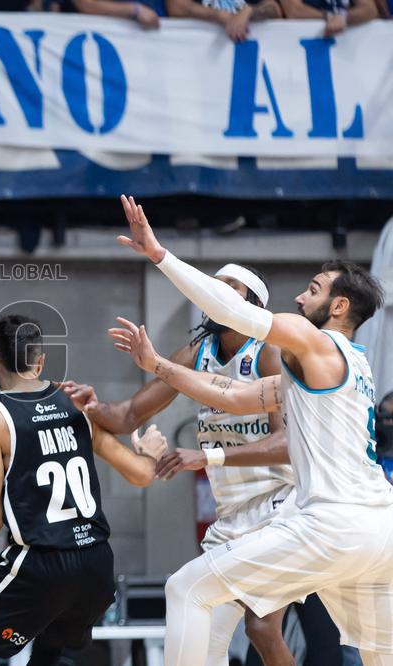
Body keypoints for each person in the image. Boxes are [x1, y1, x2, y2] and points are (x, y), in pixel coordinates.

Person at [111, 194, 393, 666]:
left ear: (339, 305)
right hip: (380, 528)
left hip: (331, 521)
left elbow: (238, 313)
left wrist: (160, 255)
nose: (301, 298)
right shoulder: (349, 366)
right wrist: (158, 364)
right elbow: (235, 397)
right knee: (380, 654)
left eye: (314, 289)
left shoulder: (316, 342)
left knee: (186, 590)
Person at [61, 266, 314, 666]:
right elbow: (127, 416)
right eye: (214, 286)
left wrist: (209, 456)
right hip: (231, 514)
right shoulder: (197, 352)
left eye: (230, 288)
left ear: (253, 305)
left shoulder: (267, 351)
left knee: (261, 628)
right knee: (202, 638)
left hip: (280, 508)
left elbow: (287, 444)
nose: (217, 293)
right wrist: (91, 407)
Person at [0, 314, 169, 665]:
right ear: (41, 361)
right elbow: (141, 475)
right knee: (48, 655)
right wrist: (146, 454)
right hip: (95, 566)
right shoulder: (76, 402)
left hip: (41, 566)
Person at [165, 0, 281, 43]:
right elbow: (176, 6)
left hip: (247, 57)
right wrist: (217, 15)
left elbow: (274, 9)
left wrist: (249, 11)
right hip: (203, 56)